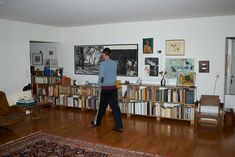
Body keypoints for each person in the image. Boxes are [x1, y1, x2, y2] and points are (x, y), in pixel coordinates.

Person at [91, 48, 124, 132]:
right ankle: (119, 126)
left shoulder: (103, 64)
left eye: (102, 55)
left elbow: (101, 77)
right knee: (115, 108)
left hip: (105, 89)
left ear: (104, 54)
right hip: (113, 89)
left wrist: (99, 87)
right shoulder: (114, 63)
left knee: (101, 107)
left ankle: (97, 122)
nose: (102, 56)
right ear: (110, 54)